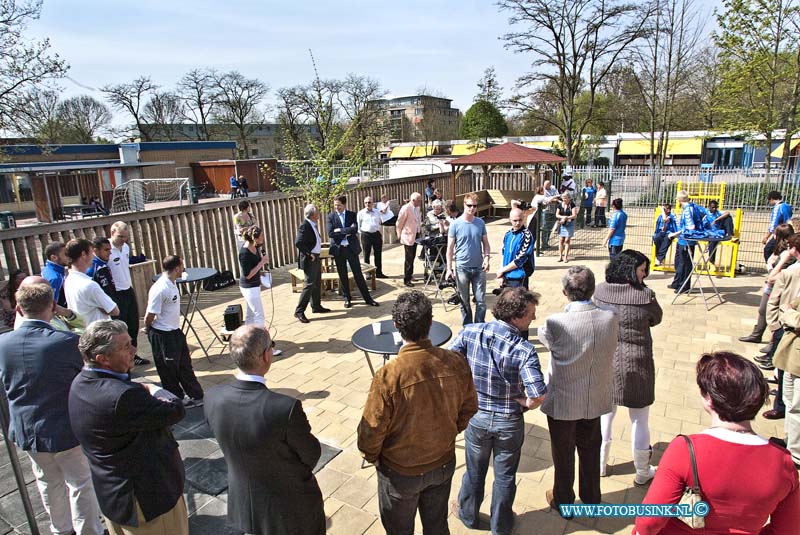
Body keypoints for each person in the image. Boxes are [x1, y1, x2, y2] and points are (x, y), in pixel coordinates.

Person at [634, 351, 800, 534]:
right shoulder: (783, 462)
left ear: (709, 399)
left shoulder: (684, 450)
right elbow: (788, 529)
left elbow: (649, 522)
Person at [358, 291, 477, 535]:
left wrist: (372, 456)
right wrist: (449, 431)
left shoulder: (389, 375)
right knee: (437, 526)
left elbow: (371, 430)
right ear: (430, 324)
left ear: (395, 326)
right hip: (442, 463)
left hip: (400, 471)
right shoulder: (455, 361)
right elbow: (469, 408)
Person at [0, 282, 104, 535]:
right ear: (51, 306)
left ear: (19, 308)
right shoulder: (66, 342)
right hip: (65, 427)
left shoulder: (3, 344)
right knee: (80, 483)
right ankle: (89, 531)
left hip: (26, 430)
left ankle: (61, 529)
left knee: (47, 482)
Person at [69, 320, 189, 535]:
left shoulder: (80, 382)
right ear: (102, 359)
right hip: (148, 501)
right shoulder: (124, 396)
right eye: (125, 347)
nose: (134, 350)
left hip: (114, 498)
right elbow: (176, 410)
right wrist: (153, 388)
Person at [205, 325, 324, 535]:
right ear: (267, 356)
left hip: (245, 505)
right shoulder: (284, 408)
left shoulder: (212, 397)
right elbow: (311, 454)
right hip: (290, 508)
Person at [449, 287, 546, 534]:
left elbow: (449, 363)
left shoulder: (471, 332)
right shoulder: (524, 350)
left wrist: (466, 388)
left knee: (474, 470)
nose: (534, 319)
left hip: (477, 417)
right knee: (504, 477)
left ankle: (468, 515)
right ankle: (500, 526)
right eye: (530, 314)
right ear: (515, 317)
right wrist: (525, 403)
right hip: (508, 421)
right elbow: (537, 394)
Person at [538, 266, 618, 514]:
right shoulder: (611, 316)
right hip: (595, 397)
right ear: (592, 289)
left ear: (564, 292)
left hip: (563, 401)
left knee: (563, 452)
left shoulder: (555, 322)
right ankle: (592, 497)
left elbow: (545, 339)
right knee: (590, 447)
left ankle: (563, 498)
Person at [594, 250, 663, 485]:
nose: (644, 274)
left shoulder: (600, 292)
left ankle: (600, 465)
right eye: (642, 270)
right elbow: (656, 318)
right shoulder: (646, 296)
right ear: (628, 270)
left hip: (607, 360)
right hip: (638, 363)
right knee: (640, 419)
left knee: (605, 415)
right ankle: (643, 471)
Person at [144, 255, 205, 407]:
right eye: (182, 266)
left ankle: (196, 395)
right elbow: (149, 315)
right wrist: (149, 329)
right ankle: (176, 399)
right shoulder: (160, 289)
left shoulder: (172, 283)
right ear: (177, 268)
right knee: (169, 370)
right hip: (163, 335)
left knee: (185, 364)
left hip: (175, 332)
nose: (183, 269)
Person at [741, 225, 796, 356]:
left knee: (773, 317)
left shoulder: (787, 254)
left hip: (777, 288)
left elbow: (773, 276)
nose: (773, 236)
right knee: (763, 310)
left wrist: (773, 265)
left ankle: (773, 347)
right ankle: (757, 334)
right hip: (770, 287)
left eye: (776, 234)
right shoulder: (780, 250)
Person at [236, 225, 283, 356]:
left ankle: (247, 342)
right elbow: (248, 274)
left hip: (255, 285)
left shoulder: (255, 247)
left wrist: (262, 273)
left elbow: (255, 269)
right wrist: (262, 263)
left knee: (250, 316)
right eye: (261, 236)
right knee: (259, 316)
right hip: (249, 287)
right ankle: (265, 347)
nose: (263, 238)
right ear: (254, 239)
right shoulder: (244, 253)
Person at [446, 192, 491, 325]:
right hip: (462, 269)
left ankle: (479, 326)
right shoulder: (455, 224)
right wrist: (449, 269)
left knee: (481, 301)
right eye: (469, 205)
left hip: (479, 268)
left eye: (474, 206)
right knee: (464, 302)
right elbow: (450, 248)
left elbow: (486, 244)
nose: (472, 208)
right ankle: (468, 328)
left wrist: (487, 258)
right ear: (464, 205)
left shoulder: (480, 223)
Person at [327, 195, 379, 308]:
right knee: (343, 275)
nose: (337, 207)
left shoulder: (351, 215)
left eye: (339, 205)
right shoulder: (331, 216)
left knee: (358, 274)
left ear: (344, 205)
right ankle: (347, 298)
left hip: (351, 249)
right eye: (335, 205)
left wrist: (340, 230)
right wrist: (347, 231)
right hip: (339, 250)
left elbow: (355, 229)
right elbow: (331, 233)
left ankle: (368, 299)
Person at [109, 222, 149, 366]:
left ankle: (133, 355)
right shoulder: (107, 250)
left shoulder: (125, 247)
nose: (123, 240)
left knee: (133, 325)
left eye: (126, 237)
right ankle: (120, 359)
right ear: (112, 232)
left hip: (128, 289)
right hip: (116, 294)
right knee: (120, 327)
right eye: (120, 236)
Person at [772, 288, 800, 467]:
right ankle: (790, 441)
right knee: (789, 402)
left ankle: (796, 455)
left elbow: (793, 314)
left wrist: (789, 312)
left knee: (797, 408)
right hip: (792, 357)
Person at [64, 238, 120, 325]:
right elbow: (114, 310)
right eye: (91, 253)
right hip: (99, 332)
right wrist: (100, 306)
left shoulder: (69, 280)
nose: (93, 256)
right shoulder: (90, 285)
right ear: (83, 254)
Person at [293, 204, 331, 323]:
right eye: (317, 211)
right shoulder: (305, 225)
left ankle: (316, 306)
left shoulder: (312, 224)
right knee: (309, 284)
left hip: (316, 256)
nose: (319, 213)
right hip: (311, 259)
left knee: (316, 282)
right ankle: (299, 311)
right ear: (313, 214)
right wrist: (309, 254)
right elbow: (298, 242)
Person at [668, 190, 707, 294]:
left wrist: (675, 234)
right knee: (681, 262)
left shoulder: (687, 210)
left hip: (686, 241)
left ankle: (684, 286)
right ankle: (677, 283)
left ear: (679, 200)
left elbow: (691, 227)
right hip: (684, 240)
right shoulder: (693, 206)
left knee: (684, 264)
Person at [496, 207, 534, 293]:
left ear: (524, 218)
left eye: (520, 220)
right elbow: (504, 254)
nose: (518, 223)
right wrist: (501, 274)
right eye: (515, 220)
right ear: (510, 219)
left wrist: (502, 270)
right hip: (507, 276)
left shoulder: (526, 236)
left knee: (519, 304)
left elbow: (519, 260)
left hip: (518, 278)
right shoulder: (508, 235)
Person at [396, 192, 422, 287]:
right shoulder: (406, 208)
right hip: (407, 236)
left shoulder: (418, 208)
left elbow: (418, 220)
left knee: (413, 256)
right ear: (413, 200)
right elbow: (399, 222)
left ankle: (410, 275)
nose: (420, 202)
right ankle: (406, 279)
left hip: (416, 235)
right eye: (419, 200)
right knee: (408, 258)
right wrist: (399, 234)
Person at [357, 195, 387, 278]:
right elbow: (359, 225)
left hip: (376, 234)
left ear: (372, 203)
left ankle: (379, 273)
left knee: (378, 254)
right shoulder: (361, 213)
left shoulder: (377, 212)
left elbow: (380, 222)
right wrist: (362, 234)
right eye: (365, 203)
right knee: (366, 255)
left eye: (369, 202)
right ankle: (368, 273)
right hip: (366, 235)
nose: (367, 204)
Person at [763, 190, 793, 261]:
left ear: (772, 199)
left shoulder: (778, 207)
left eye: (769, 200)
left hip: (780, 233)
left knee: (767, 250)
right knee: (781, 251)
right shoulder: (787, 206)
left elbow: (773, 224)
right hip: (788, 232)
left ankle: (772, 268)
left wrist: (766, 236)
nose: (769, 203)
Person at [41, 241, 70, 311]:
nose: (68, 257)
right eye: (65, 254)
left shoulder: (46, 269)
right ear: (54, 257)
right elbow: (53, 306)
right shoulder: (56, 278)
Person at [704, 200, 734, 264]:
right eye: (713, 207)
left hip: (718, 230)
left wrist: (716, 220)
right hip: (710, 231)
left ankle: (730, 235)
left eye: (715, 207)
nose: (714, 209)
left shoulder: (718, 212)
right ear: (709, 207)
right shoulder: (706, 213)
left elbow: (727, 213)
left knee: (728, 218)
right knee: (713, 241)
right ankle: (711, 261)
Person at [556, 191, 578, 262]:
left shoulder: (572, 205)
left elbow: (574, 215)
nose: (564, 199)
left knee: (567, 240)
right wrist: (562, 217)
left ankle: (566, 257)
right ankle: (560, 256)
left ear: (569, 198)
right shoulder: (560, 205)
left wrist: (566, 218)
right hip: (562, 224)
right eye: (563, 198)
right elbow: (557, 214)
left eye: (565, 198)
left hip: (569, 224)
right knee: (561, 240)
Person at [541, 179, 560, 249]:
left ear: (550, 185)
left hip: (554, 210)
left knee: (550, 228)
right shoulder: (542, 190)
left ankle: (546, 243)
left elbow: (558, 196)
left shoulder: (553, 188)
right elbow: (545, 200)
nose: (545, 187)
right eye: (544, 186)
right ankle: (543, 244)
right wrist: (552, 199)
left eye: (547, 186)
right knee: (545, 227)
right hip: (546, 210)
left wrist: (553, 199)